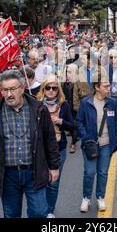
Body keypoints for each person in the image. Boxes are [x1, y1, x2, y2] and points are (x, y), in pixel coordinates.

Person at [0, 69, 60, 218]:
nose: (9, 94)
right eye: (5, 90)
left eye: (13, 89)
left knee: (39, 213)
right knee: (11, 214)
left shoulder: (38, 109)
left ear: (22, 89)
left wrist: (54, 167)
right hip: (7, 175)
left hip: (34, 171)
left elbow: (50, 139)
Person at [77, 77, 117, 212]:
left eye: (109, 86)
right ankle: (86, 198)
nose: (109, 89)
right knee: (90, 172)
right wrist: (85, 138)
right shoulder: (86, 102)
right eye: (106, 86)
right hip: (90, 144)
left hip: (107, 144)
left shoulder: (113, 102)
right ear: (97, 87)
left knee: (103, 172)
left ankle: (100, 197)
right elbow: (79, 122)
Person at [36, 76, 75, 218]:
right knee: (41, 180)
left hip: (59, 148)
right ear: (43, 89)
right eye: (48, 87)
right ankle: (42, 208)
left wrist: (60, 121)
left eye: (54, 88)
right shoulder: (37, 104)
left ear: (58, 90)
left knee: (53, 181)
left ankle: (49, 211)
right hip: (40, 149)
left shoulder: (64, 104)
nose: (51, 91)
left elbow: (72, 126)